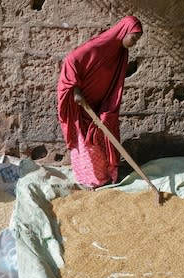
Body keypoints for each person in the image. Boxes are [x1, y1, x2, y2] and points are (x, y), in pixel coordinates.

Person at [57, 16, 143, 190]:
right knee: (87, 143)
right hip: (82, 104)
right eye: (133, 38)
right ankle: (90, 180)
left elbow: (114, 83)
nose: (134, 43)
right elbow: (71, 60)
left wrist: (106, 107)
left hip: (102, 103)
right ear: (123, 32)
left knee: (105, 136)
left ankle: (104, 177)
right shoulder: (98, 47)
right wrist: (75, 90)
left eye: (136, 40)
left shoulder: (120, 53)